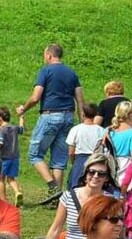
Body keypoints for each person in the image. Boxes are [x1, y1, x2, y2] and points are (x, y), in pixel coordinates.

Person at [17, 43, 85, 193]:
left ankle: (53, 186)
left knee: (35, 154)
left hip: (50, 115)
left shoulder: (45, 71)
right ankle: (57, 198)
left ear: (49, 55)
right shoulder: (72, 73)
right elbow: (80, 100)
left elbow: (36, 97)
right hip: (68, 117)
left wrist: (24, 108)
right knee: (60, 160)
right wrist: (82, 123)